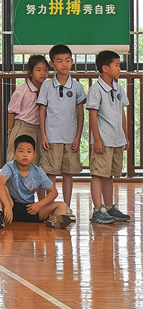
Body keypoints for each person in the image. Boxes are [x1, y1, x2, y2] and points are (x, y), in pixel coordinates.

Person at [37, 44, 86, 217]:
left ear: (72, 61)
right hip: (51, 136)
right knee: (50, 174)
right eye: (59, 61)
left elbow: (80, 113)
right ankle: (51, 207)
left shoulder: (77, 86)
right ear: (52, 64)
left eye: (67, 60)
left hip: (70, 136)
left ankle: (66, 207)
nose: (64, 64)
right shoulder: (47, 86)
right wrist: (44, 135)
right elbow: (42, 111)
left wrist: (78, 136)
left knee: (68, 173)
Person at [86, 50, 131, 225]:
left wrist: (124, 136)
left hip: (116, 138)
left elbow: (122, 112)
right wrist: (97, 139)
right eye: (117, 65)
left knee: (109, 175)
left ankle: (109, 207)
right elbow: (92, 115)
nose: (120, 68)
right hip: (103, 140)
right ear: (105, 68)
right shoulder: (96, 89)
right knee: (98, 174)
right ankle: (98, 210)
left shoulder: (118, 88)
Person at [0, 135, 72, 229]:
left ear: (34, 154)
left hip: (31, 209)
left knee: (62, 205)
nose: (25, 155)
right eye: (21, 151)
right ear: (14, 153)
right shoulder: (9, 167)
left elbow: (53, 192)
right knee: (0, 189)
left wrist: (39, 205)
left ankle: (55, 221)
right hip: (11, 207)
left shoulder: (38, 172)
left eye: (29, 152)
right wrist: (7, 205)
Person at [6, 55, 49, 160]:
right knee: (18, 159)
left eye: (45, 70)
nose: (43, 73)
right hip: (23, 126)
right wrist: (10, 132)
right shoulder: (22, 90)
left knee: (35, 160)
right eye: (38, 70)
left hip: (40, 129)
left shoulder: (48, 89)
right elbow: (11, 112)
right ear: (30, 72)